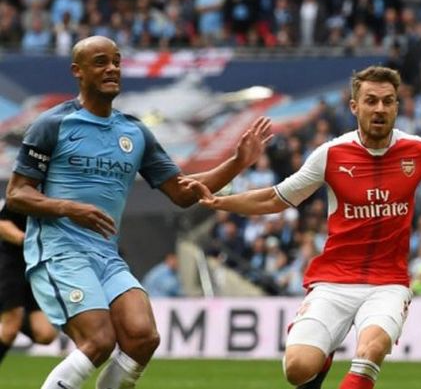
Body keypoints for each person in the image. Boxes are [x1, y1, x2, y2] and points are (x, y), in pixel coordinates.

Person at [181, 65, 421, 389]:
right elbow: (277, 198)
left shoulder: (418, 151)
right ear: (354, 106)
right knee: (297, 369)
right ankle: (325, 351)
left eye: (388, 102)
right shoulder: (331, 154)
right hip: (334, 279)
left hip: (387, 283)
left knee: (370, 349)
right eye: (371, 101)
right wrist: (221, 200)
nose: (380, 109)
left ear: (397, 106)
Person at [6, 35, 272, 389]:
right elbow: (17, 194)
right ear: (78, 71)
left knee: (142, 336)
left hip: (105, 254)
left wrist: (237, 162)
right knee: (99, 341)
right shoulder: (52, 125)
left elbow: (181, 192)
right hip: (59, 250)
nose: (112, 68)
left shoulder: (134, 132)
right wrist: (69, 208)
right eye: (100, 61)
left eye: (116, 61)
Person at [0, 199, 58, 366]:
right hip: (12, 263)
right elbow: (2, 225)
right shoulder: (27, 193)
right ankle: (12, 316)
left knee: (46, 334)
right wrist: (30, 242)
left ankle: (13, 314)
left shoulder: (68, 197)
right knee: (10, 328)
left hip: (37, 268)